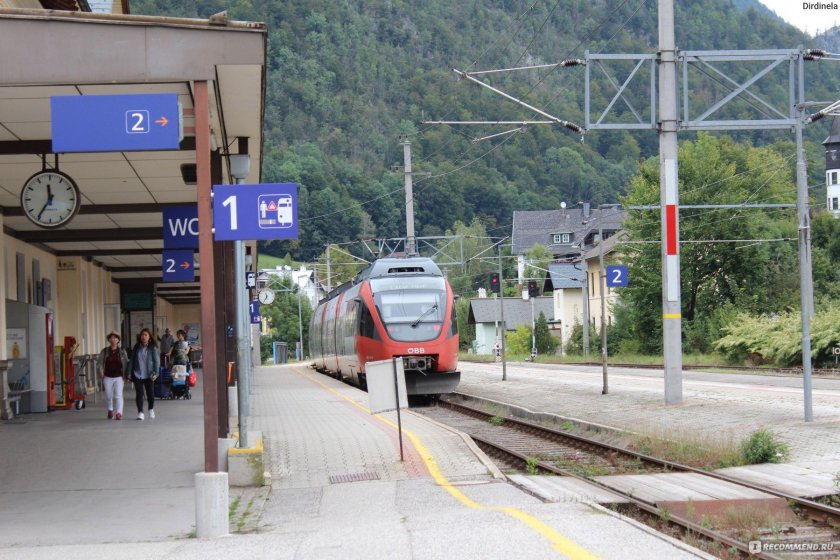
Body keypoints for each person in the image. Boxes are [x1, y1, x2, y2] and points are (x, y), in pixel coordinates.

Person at [128, 328, 160, 421]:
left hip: (149, 375)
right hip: (138, 374)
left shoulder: (152, 348)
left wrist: (156, 373)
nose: (144, 336)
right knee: (139, 394)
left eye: (146, 335)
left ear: (149, 337)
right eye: (142, 335)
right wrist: (129, 372)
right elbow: (131, 361)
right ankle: (140, 412)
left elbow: (156, 362)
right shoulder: (136, 347)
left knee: (150, 394)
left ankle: (150, 409)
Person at [97, 331, 128, 420]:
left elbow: (126, 363)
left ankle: (119, 413)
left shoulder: (122, 352)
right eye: (111, 338)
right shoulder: (105, 351)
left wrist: (126, 376)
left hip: (119, 376)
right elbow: (99, 363)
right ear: (109, 340)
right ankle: (110, 410)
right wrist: (101, 373)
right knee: (109, 395)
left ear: (118, 340)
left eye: (115, 338)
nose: (113, 339)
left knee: (118, 395)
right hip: (107, 376)